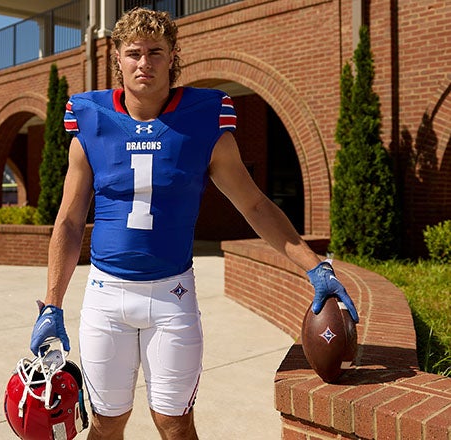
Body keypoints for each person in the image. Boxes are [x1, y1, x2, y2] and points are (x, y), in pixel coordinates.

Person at [30, 7, 359, 440]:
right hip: (106, 297)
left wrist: (315, 265)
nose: (144, 62)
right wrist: (53, 301)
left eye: (155, 52)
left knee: (175, 424)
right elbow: (70, 222)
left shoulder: (204, 119)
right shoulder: (91, 119)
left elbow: (255, 205)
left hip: (172, 295)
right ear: (118, 60)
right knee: (107, 424)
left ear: (172, 58)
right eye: (133, 53)